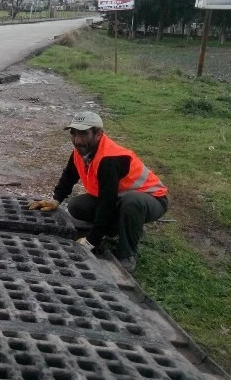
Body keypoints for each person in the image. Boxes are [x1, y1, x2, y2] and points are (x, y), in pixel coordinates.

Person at [28, 111, 167, 273]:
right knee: (77, 205)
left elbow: (107, 202)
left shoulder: (109, 159)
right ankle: (120, 227)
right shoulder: (81, 151)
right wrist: (56, 199)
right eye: (73, 134)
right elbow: (69, 175)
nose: (77, 140)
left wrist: (92, 240)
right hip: (119, 199)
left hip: (152, 200)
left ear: (98, 134)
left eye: (83, 134)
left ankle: (127, 255)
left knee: (131, 203)